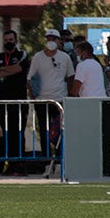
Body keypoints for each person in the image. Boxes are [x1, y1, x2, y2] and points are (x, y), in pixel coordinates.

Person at [26, 28, 74, 177]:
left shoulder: (65, 57)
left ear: (59, 41)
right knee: (45, 132)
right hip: (43, 100)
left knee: (61, 133)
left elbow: (71, 76)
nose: (51, 41)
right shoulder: (38, 57)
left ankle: (59, 162)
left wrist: (70, 94)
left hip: (59, 100)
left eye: (54, 38)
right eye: (49, 38)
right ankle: (47, 162)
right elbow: (30, 78)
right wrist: (33, 95)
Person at [0, 30, 29, 175]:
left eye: (11, 39)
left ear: (16, 41)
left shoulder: (22, 54)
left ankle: (20, 164)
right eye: (6, 40)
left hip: (18, 101)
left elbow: (19, 68)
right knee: (7, 134)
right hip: (2, 101)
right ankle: (10, 164)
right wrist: (6, 70)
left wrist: (4, 70)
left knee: (18, 133)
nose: (8, 42)